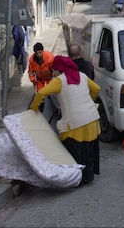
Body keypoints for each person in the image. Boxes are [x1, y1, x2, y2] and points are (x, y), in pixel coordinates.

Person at [30, 55, 101, 184]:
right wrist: (89, 100)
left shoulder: (59, 81)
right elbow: (96, 89)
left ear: (59, 69)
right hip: (92, 117)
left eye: (54, 69)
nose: (53, 72)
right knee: (88, 147)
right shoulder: (82, 76)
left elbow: (41, 93)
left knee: (72, 148)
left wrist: (33, 108)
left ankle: (75, 177)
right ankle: (88, 176)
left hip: (75, 121)